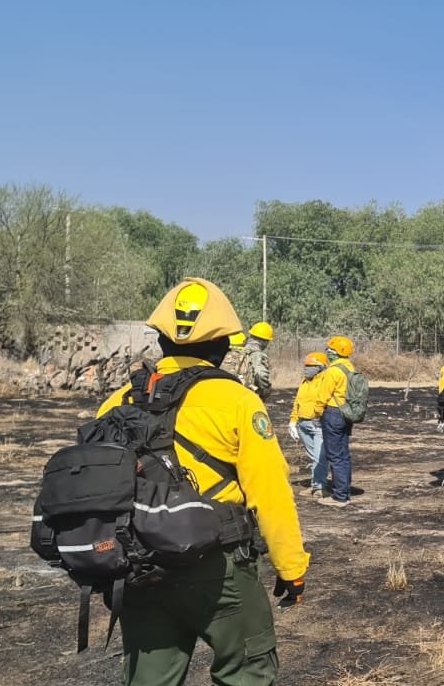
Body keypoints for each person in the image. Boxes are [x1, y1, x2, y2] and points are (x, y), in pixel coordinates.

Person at [97, 277, 309, 684]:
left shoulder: (118, 400)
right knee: (247, 671)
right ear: (224, 345)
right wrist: (291, 567)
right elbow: (270, 489)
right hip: (217, 566)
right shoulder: (236, 400)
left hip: (139, 566)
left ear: (161, 341)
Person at [315, 335, 358, 507]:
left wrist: (316, 414)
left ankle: (339, 497)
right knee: (343, 455)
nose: (327, 353)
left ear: (335, 352)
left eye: (329, 350)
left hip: (333, 413)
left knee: (335, 456)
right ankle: (344, 491)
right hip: (346, 414)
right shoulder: (350, 368)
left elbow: (322, 396)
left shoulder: (333, 371)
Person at [289, 351, 329, 497]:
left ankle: (319, 487)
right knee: (314, 457)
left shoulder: (325, 382)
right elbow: (297, 402)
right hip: (302, 424)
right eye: (306, 365)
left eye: (311, 366)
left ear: (321, 367)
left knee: (320, 457)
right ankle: (316, 484)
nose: (307, 368)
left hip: (317, 424)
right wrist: (293, 421)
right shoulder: (304, 382)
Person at [244, 321, 274, 400]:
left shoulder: (240, 351)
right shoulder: (258, 355)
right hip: (249, 398)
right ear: (264, 341)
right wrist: (265, 391)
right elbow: (261, 374)